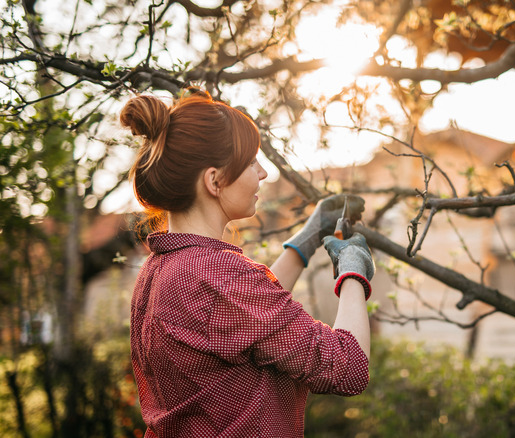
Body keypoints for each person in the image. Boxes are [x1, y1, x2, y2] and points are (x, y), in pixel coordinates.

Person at [121, 89, 374, 437]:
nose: (264, 173)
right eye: (252, 162)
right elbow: (347, 366)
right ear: (214, 180)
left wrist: (307, 239)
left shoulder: (160, 269)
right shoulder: (219, 276)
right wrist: (353, 271)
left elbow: (248, 322)